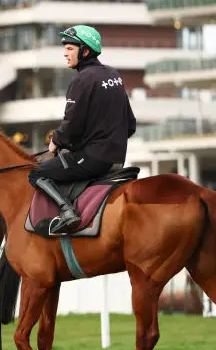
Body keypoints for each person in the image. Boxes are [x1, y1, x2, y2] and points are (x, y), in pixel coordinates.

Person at [28, 26, 137, 235]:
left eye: (70, 48)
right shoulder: (114, 75)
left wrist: (56, 141)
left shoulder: (81, 80)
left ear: (85, 51)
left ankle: (67, 212)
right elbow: (130, 124)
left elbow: (71, 126)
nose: (65, 53)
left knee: (36, 173)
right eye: (65, 49)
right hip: (118, 159)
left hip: (93, 160)